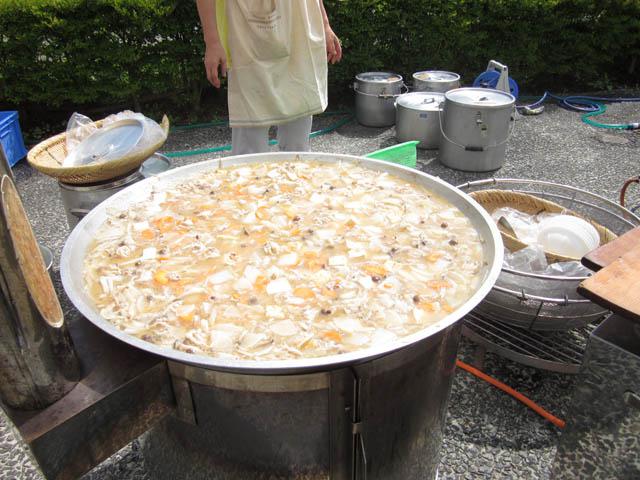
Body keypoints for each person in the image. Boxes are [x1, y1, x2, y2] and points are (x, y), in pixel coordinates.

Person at [196, 0, 342, 155]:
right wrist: (212, 42)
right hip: (247, 30)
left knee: (298, 144)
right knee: (250, 147)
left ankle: (297, 167)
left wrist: (324, 23)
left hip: (299, 27)